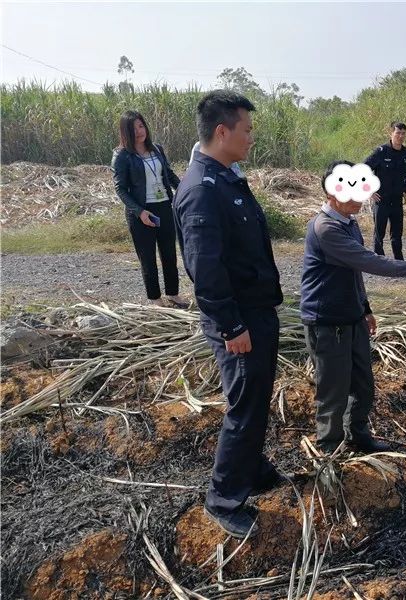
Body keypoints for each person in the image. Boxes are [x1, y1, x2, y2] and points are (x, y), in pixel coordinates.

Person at [173, 90, 285, 538]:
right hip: (238, 320)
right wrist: (231, 326)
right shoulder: (202, 189)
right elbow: (206, 269)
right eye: (247, 129)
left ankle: (252, 467)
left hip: (255, 312)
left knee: (255, 396)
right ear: (223, 132)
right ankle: (223, 498)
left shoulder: (226, 177)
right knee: (244, 403)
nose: (251, 137)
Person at [300, 160, 406, 455]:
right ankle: (329, 451)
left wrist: (364, 308)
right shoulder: (326, 229)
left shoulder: (349, 223)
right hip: (328, 322)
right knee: (332, 391)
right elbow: (371, 262)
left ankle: (358, 436)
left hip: (351, 317)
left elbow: (354, 271)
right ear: (331, 195)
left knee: (363, 384)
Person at [111, 111, 188, 307]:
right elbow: (120, 188)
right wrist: (139, 212)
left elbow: (169, 174)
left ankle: (173, 294)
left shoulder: (157, 149)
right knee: (148, 258)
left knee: (169, 254)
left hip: (163, 207)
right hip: (141, 212)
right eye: (133, 128)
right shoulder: (122, 155)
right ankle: (155, 299)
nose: (139, 131)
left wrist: (185, 191)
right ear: (125, 132)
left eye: (141, 126)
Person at [364, 121, 406, 260]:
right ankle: (379, 261)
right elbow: (363, 169)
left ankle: (399, 261)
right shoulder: (381, 151)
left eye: (403, 133)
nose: (400, 136)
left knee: (397, 234)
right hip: (381, 200)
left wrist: (405, 190)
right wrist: (369, 191)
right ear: (391, 133)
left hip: (396, 200)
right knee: (379, 233)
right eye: (398, 133)